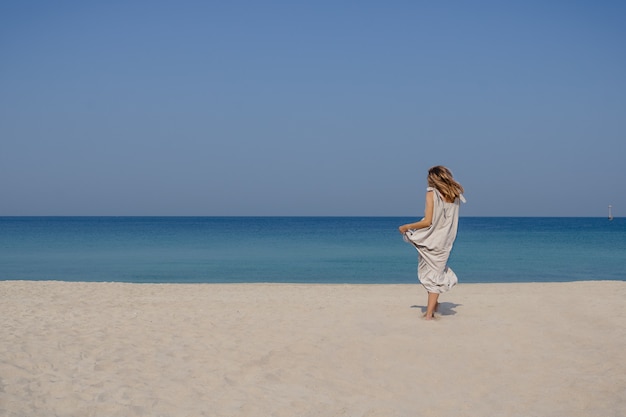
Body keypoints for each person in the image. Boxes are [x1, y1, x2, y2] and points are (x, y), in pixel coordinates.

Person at [398, 165, 465, 320]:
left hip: (432, 240)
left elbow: (428, 221)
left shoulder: (431, 193)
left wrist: (407, 226)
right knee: (434, 273)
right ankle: (433, 306)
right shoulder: (456, 196)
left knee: (430, 275)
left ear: (433, 178)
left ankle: (429, 314)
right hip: (445, 241)